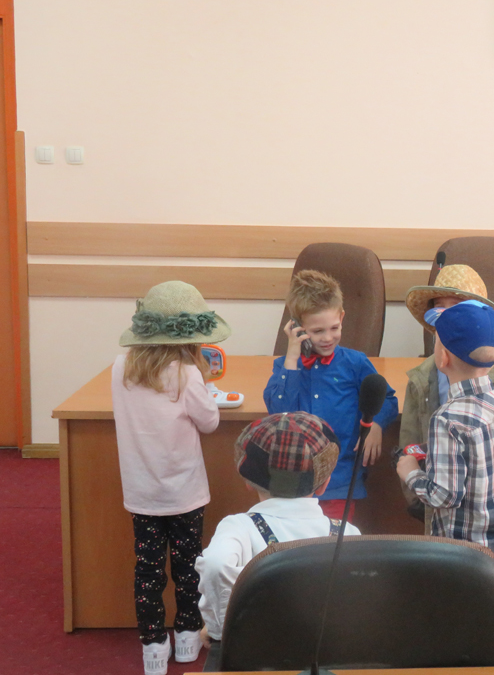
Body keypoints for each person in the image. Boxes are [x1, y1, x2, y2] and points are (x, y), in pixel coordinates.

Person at [111, 280, 231, 675]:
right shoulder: (187, 373)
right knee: (186, 567)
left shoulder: (120, 368)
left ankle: (152, 646)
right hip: (184, 493)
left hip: (142, 492)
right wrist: (205, 384)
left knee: (147, 570)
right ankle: (186, 636)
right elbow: (209, 422)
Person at [395, 300, 494, 574]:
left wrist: (410, 472)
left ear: (443, 358)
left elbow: (444, 496)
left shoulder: (446, 419)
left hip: (460, 554)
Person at [197, 411, 359, 643]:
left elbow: (215, 564)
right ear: (324, 484)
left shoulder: (238, 528)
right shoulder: (347, 532)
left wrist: (220, 628)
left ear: (248, 482)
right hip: (330, 651)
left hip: (260, 652)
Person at [399, 266, 494, 525]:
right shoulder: (421, 378)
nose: (448, 318)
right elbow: (410, 439)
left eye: (457, 308)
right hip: (441, 511)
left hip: (491, 510)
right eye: (439, 309)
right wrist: (415, 495)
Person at [264, 270, 399, 522]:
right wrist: (292, 357)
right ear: (297, 328)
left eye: (334, 328)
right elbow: (278, 411)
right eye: (317, 331)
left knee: (332, 538)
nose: (328, 338)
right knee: (298, 539)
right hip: (294, 480)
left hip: (339, 480)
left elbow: (387, 398)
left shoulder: (355, 363)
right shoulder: (285, 367)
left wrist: (377, 425)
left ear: (342, 317)